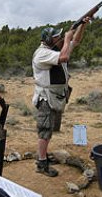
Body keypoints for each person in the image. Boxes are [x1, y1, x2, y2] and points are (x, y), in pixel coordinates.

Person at [32, 17, 90, 177]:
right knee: (45, 130)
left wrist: (81, 26)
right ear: (50, 40)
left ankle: (43, 157)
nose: (60, 38)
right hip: (46, 98)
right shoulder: (42, 54)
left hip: (56, 96)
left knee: (49, 129)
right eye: (57, 36)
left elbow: (75, 41)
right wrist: (66, 38)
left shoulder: (54, 50)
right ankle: (41, 163)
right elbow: (64, 56)